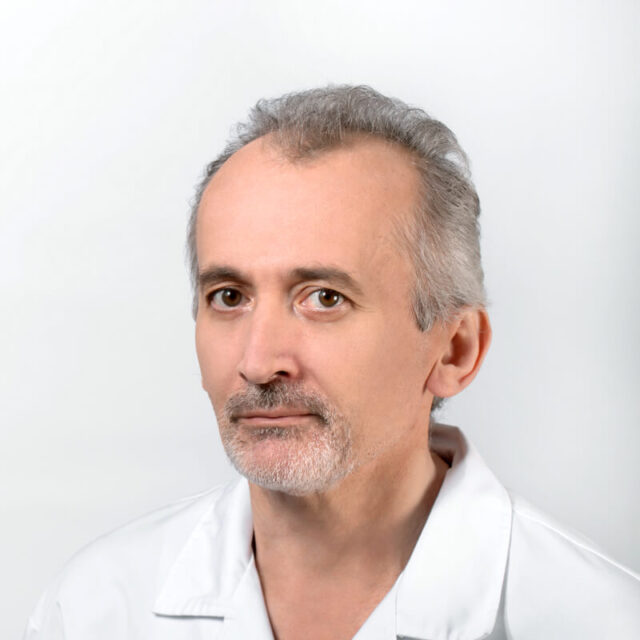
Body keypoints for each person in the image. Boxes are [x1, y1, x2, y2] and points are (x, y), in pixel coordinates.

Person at [25, 85, 639, 639]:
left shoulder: (598, 621)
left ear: (455, 350)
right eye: (229, 297)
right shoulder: (95, 609)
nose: (258, 362)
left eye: (324, 298)